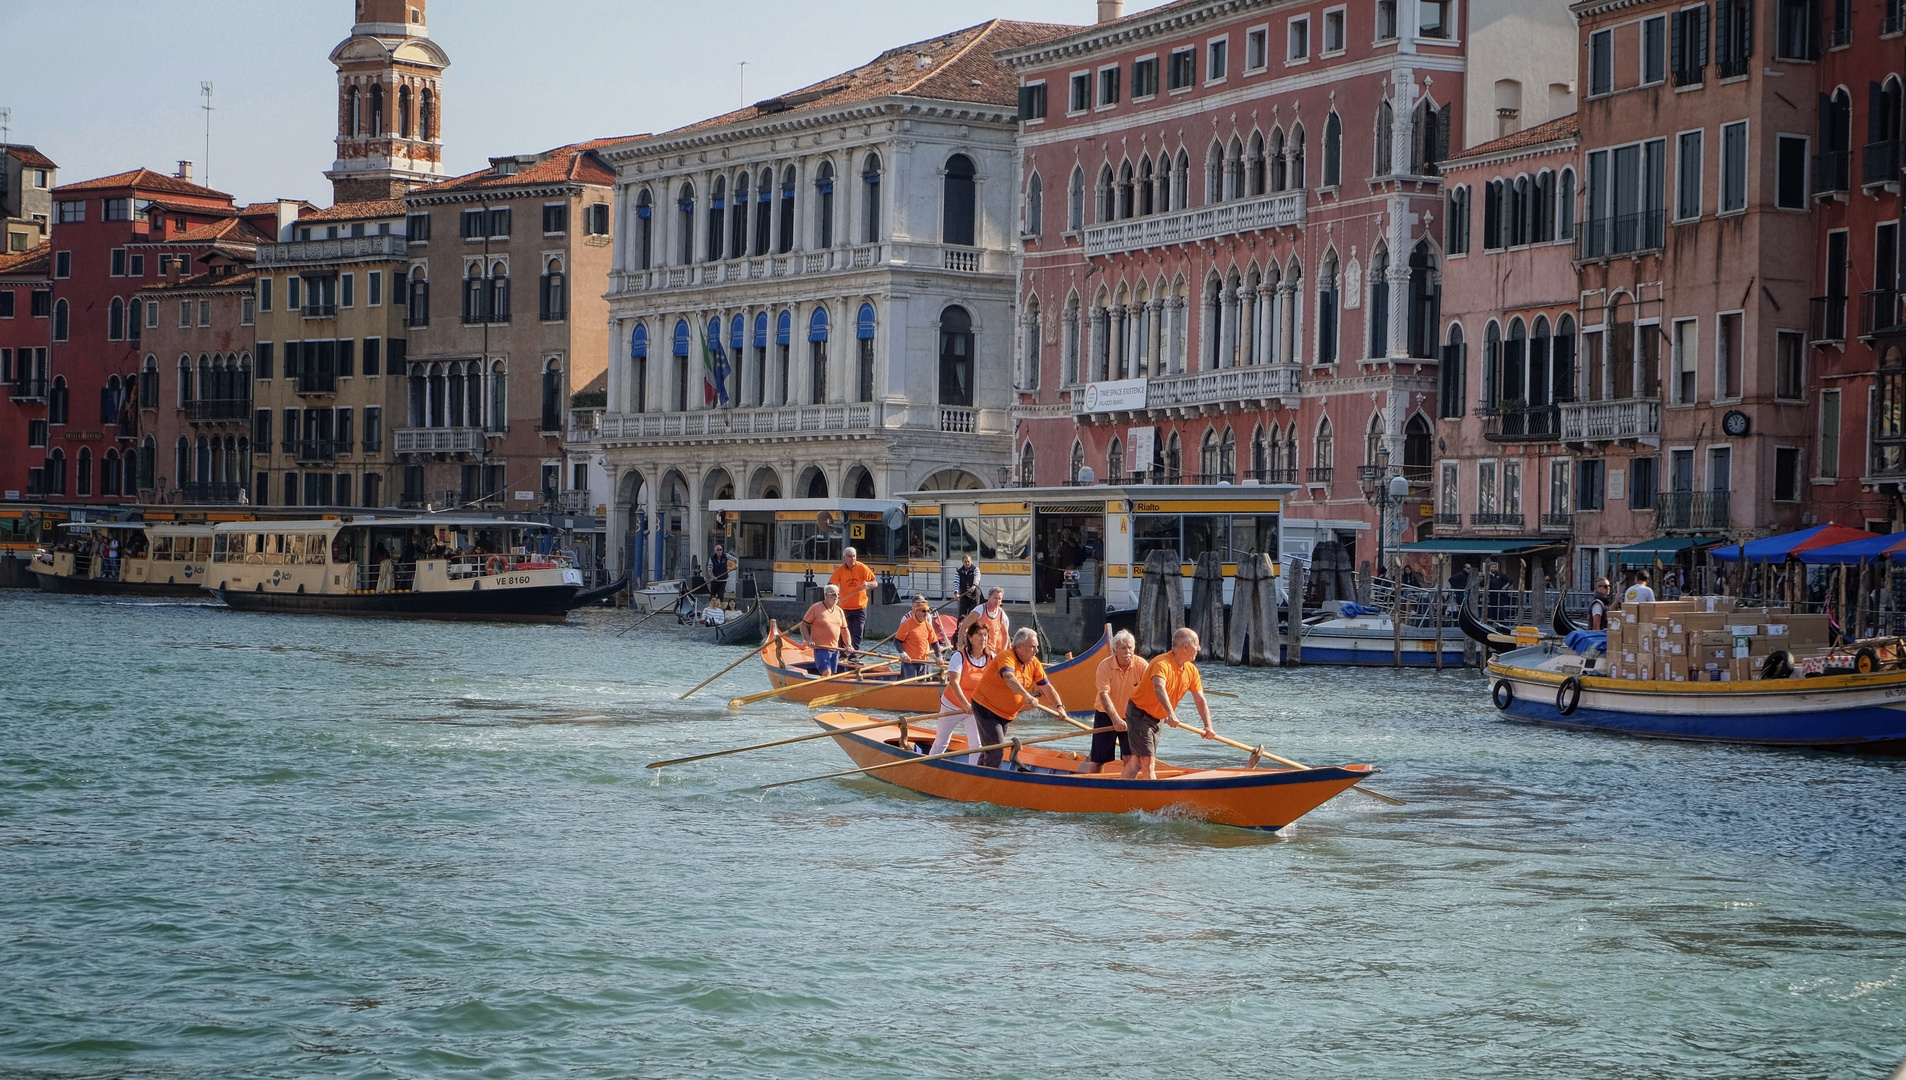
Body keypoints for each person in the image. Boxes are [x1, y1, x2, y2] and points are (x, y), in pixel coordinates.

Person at [1124, 627, 1217, 780]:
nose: (1199, 648)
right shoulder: (1161, 663)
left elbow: (1200, 699)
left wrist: (1208, 726)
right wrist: (1171, 713)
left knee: (1137, 761)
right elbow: (1159, 688)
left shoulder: (1191, 671)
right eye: (1196, 644)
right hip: (1139, 713)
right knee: (1147, 761)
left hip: (1158, 718)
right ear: (1185, 647)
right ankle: (1152, 800)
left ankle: (1122, 791)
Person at [968, 627, 1067, 769]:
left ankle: (977, 777)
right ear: (1019, 647)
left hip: (1005, 714)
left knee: (990, 750)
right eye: (1033, 647)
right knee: (996, 749)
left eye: (1037, 647)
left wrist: (1059, 707)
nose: (1036, 651)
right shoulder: (1006, 657)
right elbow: (1009, 678)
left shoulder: (1034, 663)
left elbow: (1047, 687)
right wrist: (1026, 696)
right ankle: (991, 783)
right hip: (986, 708)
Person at [929, 620, 991, 765]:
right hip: (952, 704)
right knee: (942, 742)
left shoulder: (991, 658)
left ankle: (973, 775)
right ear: (969, 638)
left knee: (977, 745)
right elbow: (954, 682)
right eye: (979, 635)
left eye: (985, 635)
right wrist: (965, 704)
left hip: (973, 708)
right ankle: (929, 766)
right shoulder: (959, 656)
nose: (983, 639)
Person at [1088, 630, 1148, 775]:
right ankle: (1093, 787)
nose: (1127, 651)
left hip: (1131, 717)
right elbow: (1103, 694)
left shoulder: (1142, 665)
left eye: (1130, 648)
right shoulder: (1105, 666)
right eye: (1123, 648)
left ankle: (1126, 788)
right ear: (1115, 650)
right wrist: (1115, 719)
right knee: (1098, 759)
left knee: (1130, 758)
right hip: (1106, 715)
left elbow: (1150, 692)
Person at [829, 547, 878, 651]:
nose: (852, 559)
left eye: (854, 556)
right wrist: (834, 596)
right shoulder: (840, 571)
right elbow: (830, 586)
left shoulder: (862, 568)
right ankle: (841, 653)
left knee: (858, 632)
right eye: (850, 556)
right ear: (845, 558)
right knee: (843, 631)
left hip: (860, 607)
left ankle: (853, 654)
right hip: (844, 607)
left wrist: (867, 584)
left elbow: (875, 583)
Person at [800, 583, 850, 675]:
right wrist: (808, 640)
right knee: (826, 672)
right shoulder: (815, 608)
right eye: (833, 594)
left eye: (838, 594)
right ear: (826, 595)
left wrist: (848, 645)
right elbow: (803, 625)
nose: (836, 597)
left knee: (833, 674)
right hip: (821, 649)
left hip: (835, 649)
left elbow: (844, 630)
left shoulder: (839, 611)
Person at [893, 595, 947, 679]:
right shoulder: (907, 624)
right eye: (923, 611)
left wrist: (939, 656)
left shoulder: (927, 625)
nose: (926, 614)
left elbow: (934, 642)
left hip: (925, 661)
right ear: (916, 612)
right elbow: (897, 641)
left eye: (928, 611)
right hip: (910, 662)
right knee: (911, 685)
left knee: (925, 684)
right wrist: (903, 654)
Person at [960, 586, 1011, 654]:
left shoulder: (1002, 614)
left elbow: (1005, 636)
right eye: (995, 598)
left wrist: (1003, 653)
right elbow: (963, 627)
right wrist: (960, 647)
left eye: (999, 599)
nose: (997, 601)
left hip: (992, 653)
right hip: (977, 651)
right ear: (989, 597)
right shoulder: (980, 610)